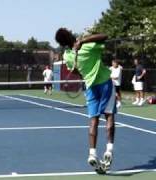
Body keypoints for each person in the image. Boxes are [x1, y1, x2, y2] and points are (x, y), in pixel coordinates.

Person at [55, 28, 116, 173]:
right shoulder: (88, 46)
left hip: (90, 87)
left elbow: (75, 71)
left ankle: (92, 153)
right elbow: (104, 35)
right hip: (105, 84)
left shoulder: (67, 55)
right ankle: (109, 150)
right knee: (109, 116)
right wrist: (83, 40)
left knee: (93, 120)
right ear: (71, 35)